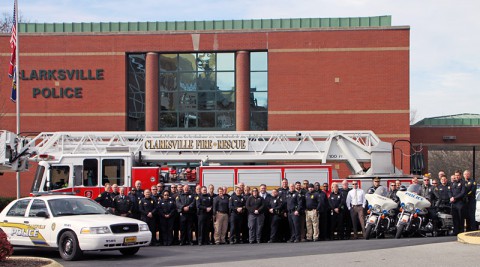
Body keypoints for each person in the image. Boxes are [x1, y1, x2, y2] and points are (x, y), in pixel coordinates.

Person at [450, 170, 466, 235]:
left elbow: (463, 192)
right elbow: (450, 191)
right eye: (455, 175)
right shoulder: (453, 183)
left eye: (458, 175)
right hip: (453, 203)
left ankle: (461, 231)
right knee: (455, 217)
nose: (456, 177)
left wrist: (455, 198)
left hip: (460, 202)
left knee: (460, 217)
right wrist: (451, 197)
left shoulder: (463, 183)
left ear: (460, 175)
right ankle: (455, 230)